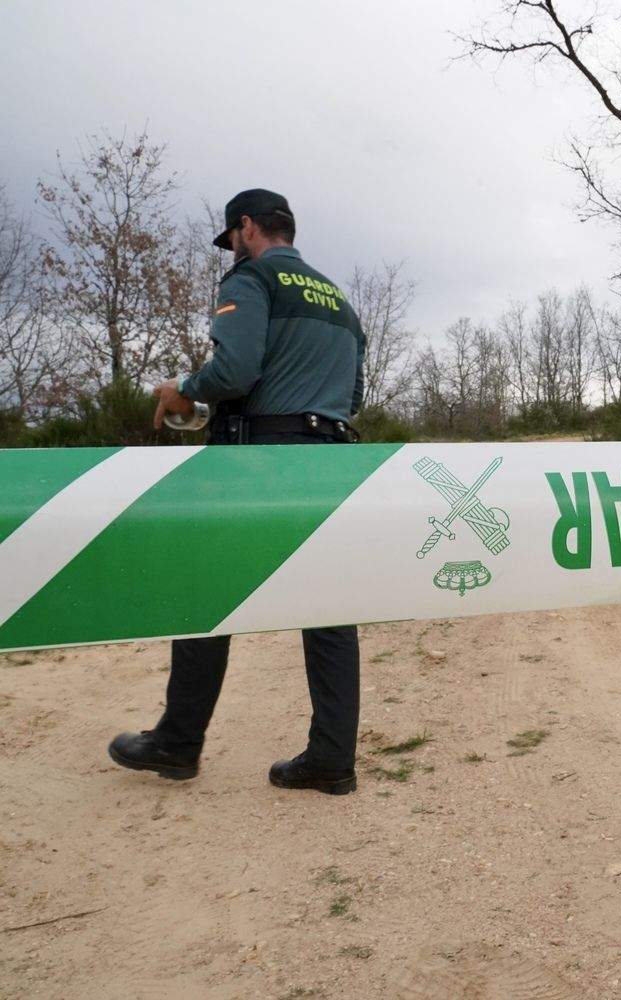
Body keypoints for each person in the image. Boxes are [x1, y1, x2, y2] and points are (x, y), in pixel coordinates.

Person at [108, 188, 367, 795]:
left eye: (231, 240)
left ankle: (177, 744)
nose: (231, 251)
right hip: (330, 458)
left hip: (258, 464)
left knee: (205, 593)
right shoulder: (340, 300)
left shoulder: (251, 279)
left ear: (247, 228)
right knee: (329, 612)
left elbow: (233, 371)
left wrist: (184, 388)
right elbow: (351, 398)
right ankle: (331, 759)